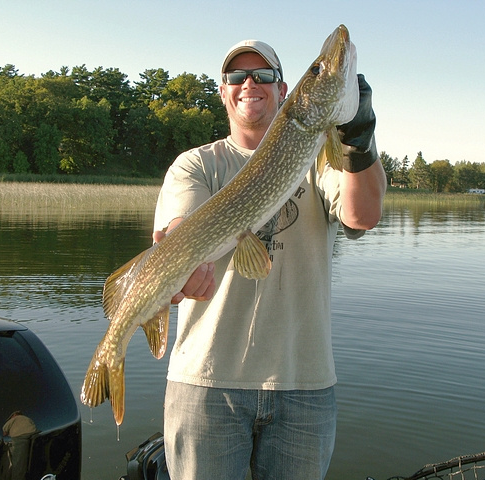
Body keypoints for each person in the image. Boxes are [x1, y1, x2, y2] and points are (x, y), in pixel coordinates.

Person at [152, 38, 386, 480]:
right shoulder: (196, 165)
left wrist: (360, 137)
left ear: (283, 91)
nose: (249, 84)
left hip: (304, 385)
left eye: (263, 76)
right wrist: (180, 264)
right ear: (223, 91)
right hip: (205, 383)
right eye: (237, 77)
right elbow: (180, 225)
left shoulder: (322, 157)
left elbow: (364, 214)